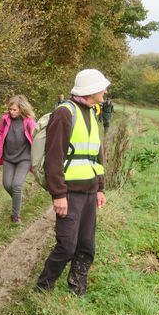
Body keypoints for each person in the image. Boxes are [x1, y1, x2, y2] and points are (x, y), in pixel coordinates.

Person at [34, 69, 109, 296]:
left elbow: (96, 154)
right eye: (102, 87)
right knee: (67, 246)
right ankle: (43, 288)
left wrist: (100, 188)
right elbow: (54, 157)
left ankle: (77, 290)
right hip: (69, 193)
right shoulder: (65, 114)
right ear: (90, 90)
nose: (105, 91)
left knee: (86, 246)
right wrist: (58, 194)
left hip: (89, 192)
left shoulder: (92, 113)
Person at [0, 95, 36, 223]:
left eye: (15, 110)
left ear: (21, 109)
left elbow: (36, 139)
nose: (12, 112)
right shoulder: (5, 119)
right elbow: (0, 133)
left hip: (24, 158)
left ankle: (15, 216)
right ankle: (19, 198)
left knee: (17, 185)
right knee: (7, 184)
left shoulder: (29, 122)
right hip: (9, 157)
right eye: (10, 109)